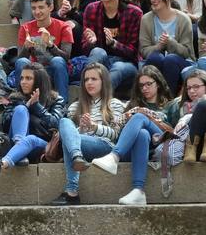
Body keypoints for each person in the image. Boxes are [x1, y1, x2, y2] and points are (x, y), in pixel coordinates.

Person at [51, 62, 141, 206]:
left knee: (72, 141)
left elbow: (116, 135)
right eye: (86, 80)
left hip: (105, 146)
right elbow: (70, 136)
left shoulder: (115, 104)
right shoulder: (75, 106)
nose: (89, 83)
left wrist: (94, 127)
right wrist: (80, 129)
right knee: (64, 122)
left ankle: (71, 191)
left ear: (103, 81)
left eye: (94, 79)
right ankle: (77, 157)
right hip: (80, 146)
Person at [140, 0, 195, 91]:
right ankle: (151, 98)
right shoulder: (146, 19)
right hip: (157, 62)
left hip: (180, 63)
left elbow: (187, 52)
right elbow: (144, 51)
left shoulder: (183, 19)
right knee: (155, 57)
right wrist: (158, 46)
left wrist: (170, 42)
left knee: (170, 59)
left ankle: (168, 99)